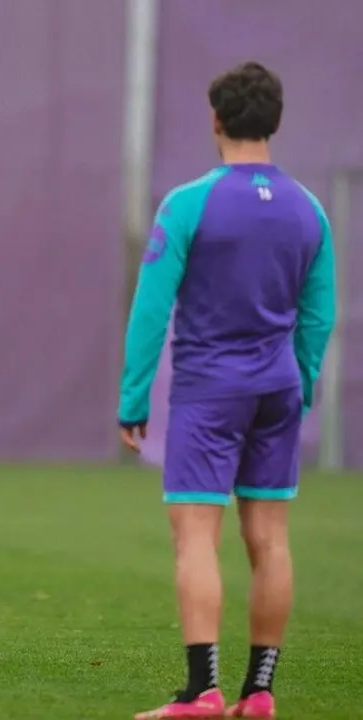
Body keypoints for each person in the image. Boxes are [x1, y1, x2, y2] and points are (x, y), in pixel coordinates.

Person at [118, 61, 336, 719]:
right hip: (277, 388)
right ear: (274, 122)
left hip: (210, 393)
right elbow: (320, 314)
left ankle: (202, 691)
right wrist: (301, 384)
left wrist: (132, 401)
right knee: (270, 538)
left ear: (216, 120)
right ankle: (260, 691)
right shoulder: (310, 208)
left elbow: (151, 310)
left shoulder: (189, 203)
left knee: (196, 538)